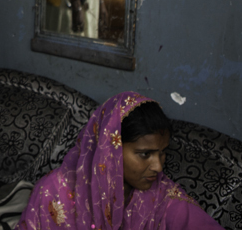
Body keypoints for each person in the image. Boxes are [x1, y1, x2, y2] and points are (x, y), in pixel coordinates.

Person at [17, 92, 224, 229]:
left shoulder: (161, 196)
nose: (159, 166)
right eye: (145, 154)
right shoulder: (53, 193)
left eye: (162, 152)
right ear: (110, 149)